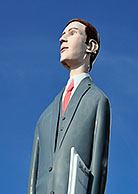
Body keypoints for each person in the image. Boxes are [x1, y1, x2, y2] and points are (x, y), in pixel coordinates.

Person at [27, 18, 111, 194]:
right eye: (63, 34)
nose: (62, 39)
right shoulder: (45, 116)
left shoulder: (97, 100)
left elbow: (98, 166)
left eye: (72, 33)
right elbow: (32, 180)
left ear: (91, 46)